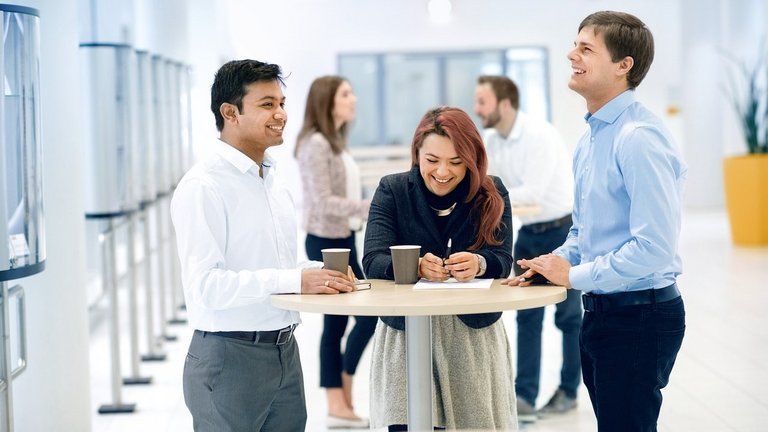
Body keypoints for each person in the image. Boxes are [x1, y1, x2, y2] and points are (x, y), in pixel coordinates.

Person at [505, 11, 687, 432]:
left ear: (624, 66)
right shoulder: (591, 138)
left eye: (586, 48)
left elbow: (654, 248)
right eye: (575, 45)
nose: (572, 54)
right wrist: (549, 265)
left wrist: (576, 274)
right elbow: (582, 231)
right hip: (603, 313)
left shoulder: (638, 138)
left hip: (640, 316)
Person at [170, 59, 356, 432]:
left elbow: (273, 265)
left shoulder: (271, 179)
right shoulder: (203, 186)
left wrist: (315, 273)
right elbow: (206, 287)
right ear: (230, 112)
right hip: (229, 359)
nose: (282, 114)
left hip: (285, 353)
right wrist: (293, 280)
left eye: (282, 103)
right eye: (267, 104)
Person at [363, 106, 518, 431]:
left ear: (472, 159)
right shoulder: (392, 190)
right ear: (417, 153)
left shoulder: (491, 191)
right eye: (432, 161)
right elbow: (373, 261)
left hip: (471, 338)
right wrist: (414, 266)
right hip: (406, 336)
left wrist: (479, 263)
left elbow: (503, 261)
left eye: (456, 162)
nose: (443, 172)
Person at [474, 75, 582, 422]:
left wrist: (493, 195)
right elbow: (490, 187)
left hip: (563, 233)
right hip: (530, 234)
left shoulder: (539, 135)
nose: (478, 110)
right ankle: (524, 396)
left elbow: (527, 192)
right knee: (527, 318)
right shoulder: (492, 139)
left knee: (568, 318)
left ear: (504, 103)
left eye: (483, 102)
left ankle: (568, 391)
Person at [294, 75, 376, 429]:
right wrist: (368, 207)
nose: (353, 98)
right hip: (326, 241)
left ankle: (341, 389)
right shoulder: (315, 144)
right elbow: (322, 201)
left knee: (354, 317)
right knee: (341, 321)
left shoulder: (334, 142)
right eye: (346, 93)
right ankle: (336, 395)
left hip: (343, 239)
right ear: (327, 101)